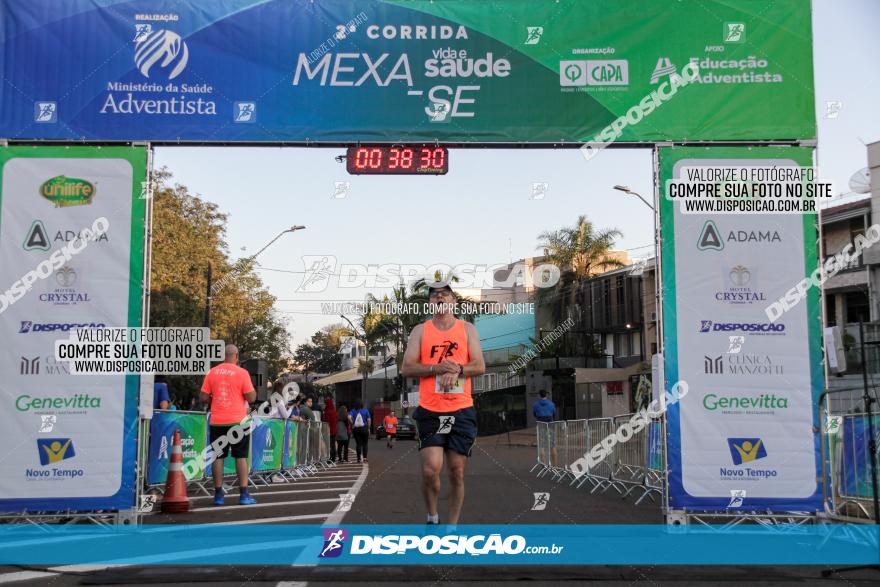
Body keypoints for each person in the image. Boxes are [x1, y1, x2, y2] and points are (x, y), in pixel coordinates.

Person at [400, 283, 485, 525]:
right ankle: (432, 516)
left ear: (453, 302)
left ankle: (452, 527)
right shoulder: (420, 331)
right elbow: (407, 367)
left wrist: (458, 369)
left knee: (456, 470)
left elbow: (479, 365)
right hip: (430, 410)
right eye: (435, 295)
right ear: (430, 304)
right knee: (431, 470)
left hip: (461, 409)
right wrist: (436, 368)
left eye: (445, 294)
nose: (439, 297)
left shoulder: (467, 329)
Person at [200, 344, 257, 506]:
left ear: (223, 356)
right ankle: (244, 494)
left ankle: (218, 495)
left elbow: (203, 397)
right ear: (237, 356)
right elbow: (251, 398)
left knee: (218, 456)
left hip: (218, 420)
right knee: (241, 456)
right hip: (238, 421)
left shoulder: (212, 372)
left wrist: (213, 396)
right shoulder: (242, 373)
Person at [533, 389, 558, 466]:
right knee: (553, 445)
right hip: (550, 423)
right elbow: (554, 414)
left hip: (541, 424)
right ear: (546, 395)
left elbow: (534, 414)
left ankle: (544, 465)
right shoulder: (551, 404)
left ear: (539, 395)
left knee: (542, 445)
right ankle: (555, 465)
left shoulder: (536, 404)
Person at [324, 393, 338, 463]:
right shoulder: (334, 411)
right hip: (334, 430)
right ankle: (334, 458)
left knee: (328, 445)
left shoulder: (327, 411)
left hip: (328, 430)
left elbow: (326, 421)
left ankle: (329, 458)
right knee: (333, 444)